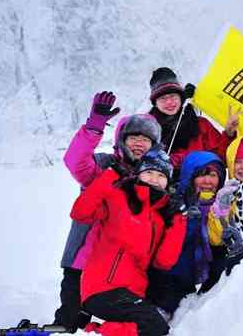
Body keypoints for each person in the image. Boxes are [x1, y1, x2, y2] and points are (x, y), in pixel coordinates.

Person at [54, 91, 162, 333]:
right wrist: (93, 128)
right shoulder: (103, 166)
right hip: (82, 262)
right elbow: (76, 161)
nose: (139, 143)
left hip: (117, 271)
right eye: (134, 136)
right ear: (121, 139)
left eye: (146, 139)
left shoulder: (152, 179)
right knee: (70, 320)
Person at [71, 147, 187, 336]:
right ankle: (96, 333)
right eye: (149, 172)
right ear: (138, 174)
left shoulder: (159, 218)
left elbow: (164, 261)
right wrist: (110, 175)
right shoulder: (119, 197)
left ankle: (95, 331)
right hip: (103, 287)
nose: (154, 178)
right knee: (156, 327)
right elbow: (80, 212)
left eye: (161, 175)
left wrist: (179, 219)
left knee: (155, 327)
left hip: (133, 294)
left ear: (168, 181)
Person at [145, 151, 226, 319]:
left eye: (213, 175)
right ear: (190, 176)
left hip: (192, 281)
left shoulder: (221, 205)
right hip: (165, 279)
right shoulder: (173, 201)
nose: (208, 181)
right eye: (201, 174)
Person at [147, 67, 238, 176]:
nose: (169, 102)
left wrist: (228, 133)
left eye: (173, 96)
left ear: (181, 98)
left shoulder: (201, 125)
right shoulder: (147, 129)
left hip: (202, 188)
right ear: (155, 103)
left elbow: (222, 158)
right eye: (163, 99)